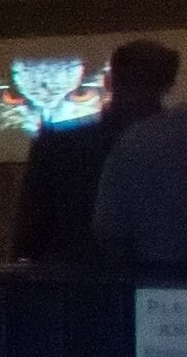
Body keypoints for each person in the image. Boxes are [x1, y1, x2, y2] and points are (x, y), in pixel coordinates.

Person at [21, 38, 174, 259]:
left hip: (72, 280)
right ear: (168, 85)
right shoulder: (176, 147)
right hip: (164, 283)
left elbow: (31, 234)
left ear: (109, 81)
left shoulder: (56, 144)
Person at [84, 40, 187, 261]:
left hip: (78, 282)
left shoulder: (61, 141)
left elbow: (109, 230)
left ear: (110, 81)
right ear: (169, 84)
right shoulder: (163, 138)